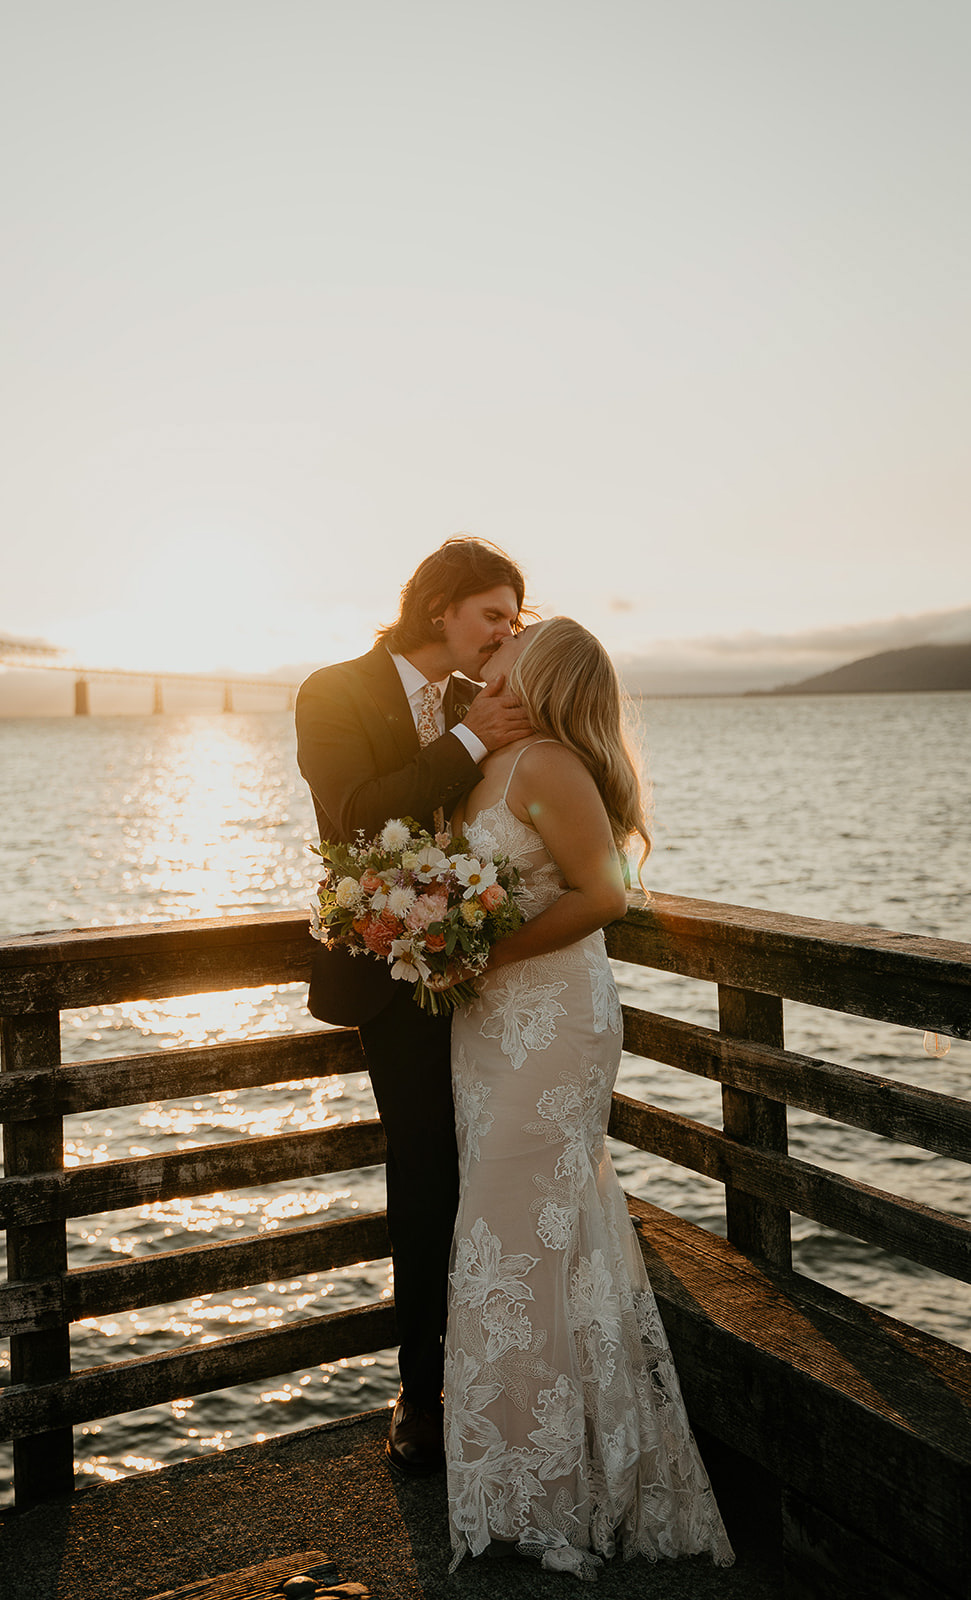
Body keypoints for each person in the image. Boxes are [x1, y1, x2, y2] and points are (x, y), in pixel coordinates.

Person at [444, 617, 734, 1577]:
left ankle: (542, 1493)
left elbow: (603, 894)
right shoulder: (489, 760)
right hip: (485, 1027)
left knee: (514, 1232)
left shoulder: (552, 766)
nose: (489, 658)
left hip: (551, 1023)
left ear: (540, 677)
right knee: (526, 1239)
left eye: (506, 655)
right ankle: (535, 1470)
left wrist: (479, 952)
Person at [295, 537, 535, 1477]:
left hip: (499, 968)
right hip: (393, 972)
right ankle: (423, 1391)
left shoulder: (492, 701)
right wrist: (475, 742)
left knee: (505, 1161)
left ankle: (515, 1369)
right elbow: (355, 812)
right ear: (441, 607)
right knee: (427, 1172)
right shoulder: (334, 691)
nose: (502, 635)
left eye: (512, 622)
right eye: (491, 616)